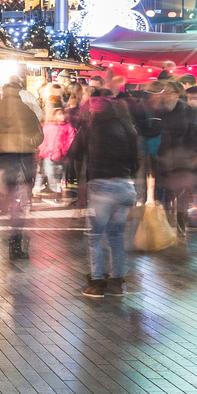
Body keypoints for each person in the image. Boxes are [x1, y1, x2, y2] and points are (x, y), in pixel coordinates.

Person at [73, 86, 142, 297]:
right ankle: (116, 282)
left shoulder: (89, 128)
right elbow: (136, 161)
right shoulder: (128, 127)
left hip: (100, 187)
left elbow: (75, 154)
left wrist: (80, 191)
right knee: (115, 237)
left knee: (94, 236)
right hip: (124, 187)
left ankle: (96, 283)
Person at [0, 81, 43, 259]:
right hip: (23, 161)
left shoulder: (0, 111)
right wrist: (28, 143)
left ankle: (13, 236)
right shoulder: (26, 110)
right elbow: (39, 135)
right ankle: (15, 240)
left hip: (7, 162)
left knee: (13, 199)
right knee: (20, 200)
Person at [144, 80, 197, 230]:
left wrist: (189, 153)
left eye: (169, 91)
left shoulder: (187, 111)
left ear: (178, 94)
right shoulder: (159, 111)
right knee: (163, 192)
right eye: (164, 91)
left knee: (180, 194)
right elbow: (153, 131)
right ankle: (165, 225)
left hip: (181, 159)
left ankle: (180, 225)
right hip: (164, 157)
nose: (165, 94)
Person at [39, 103, 74, 199]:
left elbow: (71, 139)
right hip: (49, 155)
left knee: (62, 174)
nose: (62, 116)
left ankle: (59, 191)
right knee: (51, 174)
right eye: (59, 114)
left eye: (63, 113)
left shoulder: (68, 126)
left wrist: (66, 151)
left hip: (63, 156)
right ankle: (56, 190)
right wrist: (45, 150)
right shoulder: (47, 126)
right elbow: (42, 140)